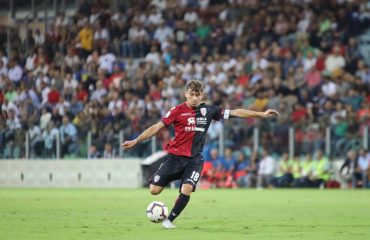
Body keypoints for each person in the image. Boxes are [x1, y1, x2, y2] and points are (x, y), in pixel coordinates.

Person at [121, 80, 279, 229]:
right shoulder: (177, 111)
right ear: (186, 94)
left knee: (187, 187)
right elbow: (156, 127)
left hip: (194, 160)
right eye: (192, 94)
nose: (195, 98)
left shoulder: (209, 111)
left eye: (198, 95)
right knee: (154, 190)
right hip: (175, 158)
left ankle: (169, 220)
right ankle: (171, 180)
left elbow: (236, 112)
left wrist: (262, 114)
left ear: (202, 95)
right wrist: (136, 140)